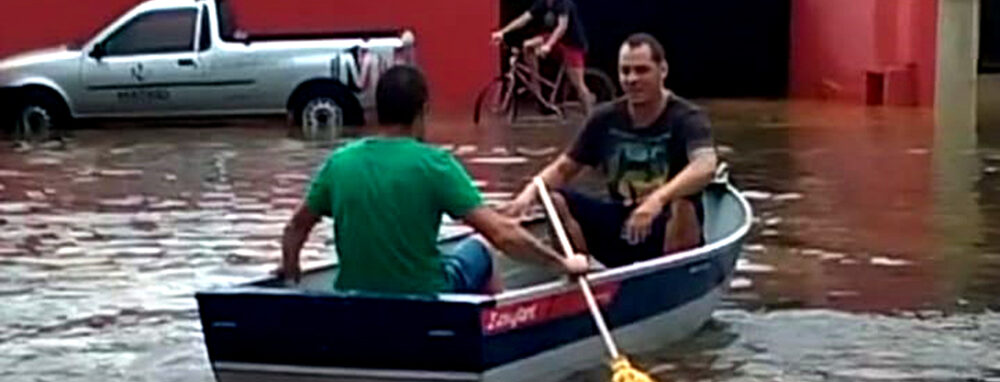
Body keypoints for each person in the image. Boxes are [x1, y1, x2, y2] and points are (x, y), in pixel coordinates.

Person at [278, 65, 588, 295]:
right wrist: (561, 263)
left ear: (377, 111)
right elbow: (502, 235)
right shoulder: (435, 165)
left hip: (355, 299)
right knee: (480, 247)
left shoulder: (340, 162)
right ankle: (492, 328)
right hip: (426, 300)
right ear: (423, 111)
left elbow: (295, 229)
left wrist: (291, 278)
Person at [502, 33, 718, 268]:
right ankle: (585, 273)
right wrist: (530, 192)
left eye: (642, 70)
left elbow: (705, 166)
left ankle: (673, 275)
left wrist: (657, 200)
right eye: (625, 71)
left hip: (665, 225)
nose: (632, 79)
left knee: (684, 202)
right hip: (622, 220)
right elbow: (564, 168)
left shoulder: (686, 117)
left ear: (662, 70)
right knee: (553, 198)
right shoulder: (605, 117)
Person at [491, 0, 595, 114]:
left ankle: (591, 115)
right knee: (527, 46)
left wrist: (548, 46)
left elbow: (562, 27)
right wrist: (502, 32)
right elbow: (524, 19)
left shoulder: (563, 3)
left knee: (578, 85)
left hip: (572, 44)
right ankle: (536, 88)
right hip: (554, 39)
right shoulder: (542, 3)